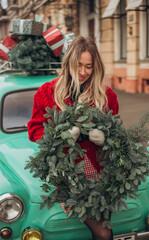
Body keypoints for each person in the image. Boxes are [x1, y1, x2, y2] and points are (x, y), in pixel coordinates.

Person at [28, 35, 119, 240]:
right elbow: (34, 131)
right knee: (104, 233)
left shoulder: (106, 95)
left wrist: (106, 138)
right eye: (78, 65)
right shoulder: (46, 92)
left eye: (89, 66)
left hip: (102, 171)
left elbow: (118, 133)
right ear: (68, 62)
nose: (83, 72)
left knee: (104, 221)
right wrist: (61, 136)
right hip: (67, 173)